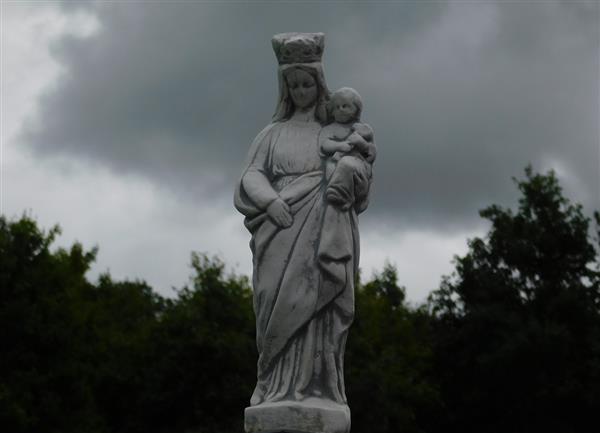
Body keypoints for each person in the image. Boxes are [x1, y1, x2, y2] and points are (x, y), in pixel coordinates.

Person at [234, 33, 371, 408]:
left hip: (324, 227)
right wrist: (272, 201)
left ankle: (317, 387)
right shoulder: (272, 134)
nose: (300, 90)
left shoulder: (335, 132)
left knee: (320, 308)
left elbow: (358, 178)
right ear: (285, 88)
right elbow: (251, 174)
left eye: (307, 82)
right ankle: (272, 383)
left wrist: (350, 171)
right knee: (272, 300)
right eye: (293, 84)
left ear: (319, 83)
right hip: (278, 227)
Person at [319, 87, 376, 211]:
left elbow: (371, 154)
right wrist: (340, 145)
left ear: (356, 109)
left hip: (358, 166)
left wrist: (361, 143)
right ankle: (342, 195)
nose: (340, 110)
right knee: (330, 166)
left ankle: (339, 192)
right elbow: (324, 145)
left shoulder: (363, 129)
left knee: (346, 163)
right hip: (335, 161)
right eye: (337, 107)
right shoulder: (329, 129)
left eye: (345, 106)